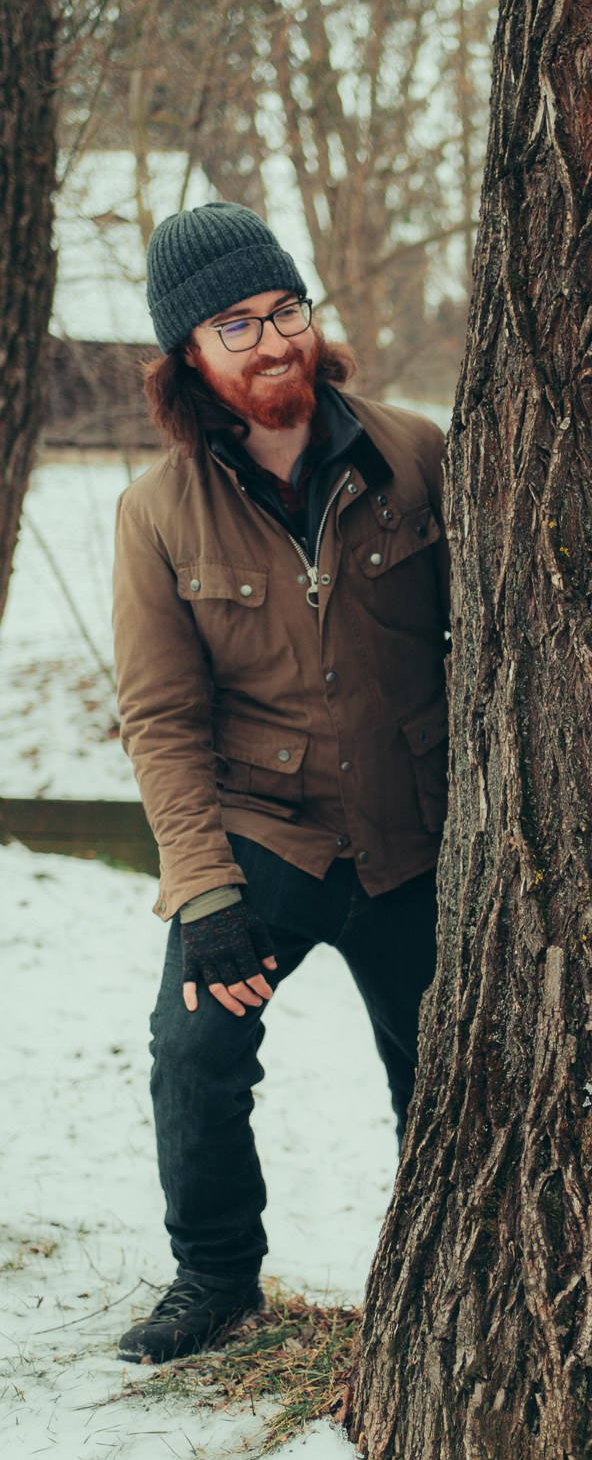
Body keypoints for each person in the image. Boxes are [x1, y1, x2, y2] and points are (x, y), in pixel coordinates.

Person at [112, 202, 450, 1365]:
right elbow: (160, 717)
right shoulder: (157, 512)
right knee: (193, 1052)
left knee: (446, 1078)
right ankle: (214, 1275)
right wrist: (204, 896)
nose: (272, 341)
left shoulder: (417, 455)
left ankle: (445, 1288)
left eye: (284, 309)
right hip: (267, 842)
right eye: (235, 323)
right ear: (190, 359)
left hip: (415, 839)